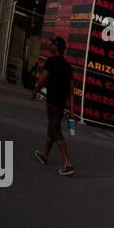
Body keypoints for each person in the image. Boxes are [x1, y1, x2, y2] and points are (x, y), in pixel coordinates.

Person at [32, 37, 75, 176]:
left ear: (56, 47)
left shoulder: (51, 61)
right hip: (61, 104)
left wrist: (35, 92)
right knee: (52, 127)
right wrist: (72, 110)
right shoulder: (68, 67)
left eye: (52, 44)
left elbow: (42, 79)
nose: (51, 45)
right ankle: (45, 155)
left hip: (52, 102)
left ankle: (68, 163)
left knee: (56, 130)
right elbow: (71, 91)